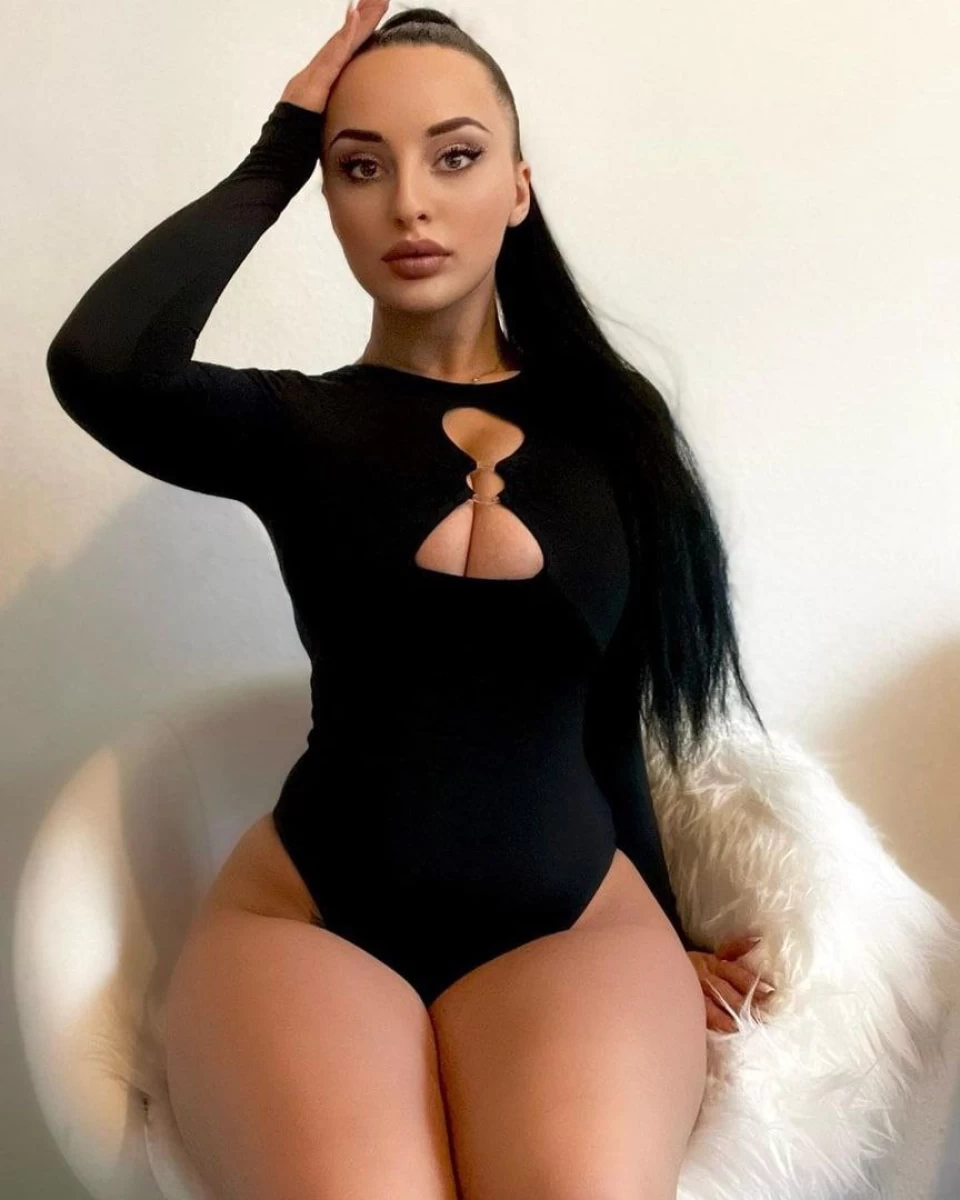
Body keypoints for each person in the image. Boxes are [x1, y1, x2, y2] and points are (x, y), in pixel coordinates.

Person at [46, 4, 776, 1197]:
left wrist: (668, 933)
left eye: (455, 156)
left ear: (519, 186)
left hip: (574, 929)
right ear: (327, 197)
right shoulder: (296, 427)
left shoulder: (615, 430)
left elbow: (608, 711)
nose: (409, 204)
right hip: (310, 923)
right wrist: (281, 147)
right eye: (361, 167)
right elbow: (103, 363)